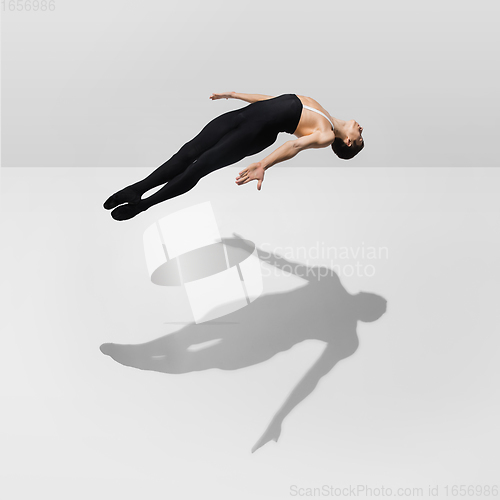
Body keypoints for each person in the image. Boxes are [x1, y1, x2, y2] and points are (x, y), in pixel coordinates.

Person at [103, 91, 364, 220]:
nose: (361, 128)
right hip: (242, 116)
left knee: (199, 166)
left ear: (348, 142)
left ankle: (144, 205)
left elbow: (294, 147)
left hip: (256, 134)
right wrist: (235, 94)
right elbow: (273, 99)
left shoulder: (327, 133)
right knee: (188, 152)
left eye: (360, 136)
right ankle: (136, 189)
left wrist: (264, 164)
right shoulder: (323, 111)